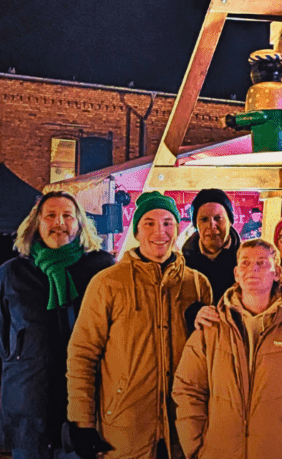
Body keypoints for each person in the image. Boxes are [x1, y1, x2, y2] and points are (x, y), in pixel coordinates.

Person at [66, 191, 212, 459]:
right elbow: (83, 355)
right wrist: (81, 422)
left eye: (167, 223)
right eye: (149, 223)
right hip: (126, 426)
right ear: (136, 230)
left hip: (183, 427)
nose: (160, 231)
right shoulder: (107, 283)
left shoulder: (197, 284)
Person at [0, 192, 113, 459]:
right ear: (36, 223)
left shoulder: (101, 269)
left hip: (85, 400)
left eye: (68, 216)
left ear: (80, 223)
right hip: (29, 402)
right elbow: (1, 334)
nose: (59, 222)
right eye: (51, 216)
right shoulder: (12, 273)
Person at [173, 239, 282, 459]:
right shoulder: (211, 326)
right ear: (236, 273)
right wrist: (195, 447)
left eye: (262, 262)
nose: (253, 269)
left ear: (277, 273)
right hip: (217, 452)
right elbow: (187, 389)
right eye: (245, 263)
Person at [182, 188, 241, 304]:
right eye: (204, 219)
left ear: (230, 221)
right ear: (196, 225)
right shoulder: (183, 264)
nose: (212, 225)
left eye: (218, 218)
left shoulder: (246, 260)